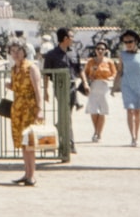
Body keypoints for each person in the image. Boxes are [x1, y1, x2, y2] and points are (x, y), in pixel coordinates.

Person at [6, 38, 44, 186]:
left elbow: (37, 89)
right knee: (22, 141)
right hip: (17, 107)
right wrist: (11, 86)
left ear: (24, 51)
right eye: (12, 51)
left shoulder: (31, 67)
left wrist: (39, 110)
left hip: (30, 107)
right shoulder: (13, 68)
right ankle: (27, 173)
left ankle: (32, 174)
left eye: (18, 51)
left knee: (30, 142)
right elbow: (18, 87)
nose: (15, 54)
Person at [42, 27, 83, 153]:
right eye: (71, 36)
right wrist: (45, 91)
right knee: (66, 115)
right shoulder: (51, 55)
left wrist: (85, 83)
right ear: (65, 38)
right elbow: (46, 74)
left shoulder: (74, 52)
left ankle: (51, 137)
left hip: (72, 87)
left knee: (66, 116)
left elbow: (79, 69)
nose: (73, 39)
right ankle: (69, 143)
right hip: (60, 87)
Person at [115, 29, 140, 147]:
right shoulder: (122, 55)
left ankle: (137, 135)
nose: (128, 44)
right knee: (130, 109)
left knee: (138, 112)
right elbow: (119, 71)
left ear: (136, 41)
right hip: (127, 85)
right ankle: (132, 137)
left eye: (130, 41)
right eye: (125, 42)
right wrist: (114, 86)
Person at [84, 42, 118, 142]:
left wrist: (109, 78)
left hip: (104, 86)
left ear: (106, 51)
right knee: (93, 110)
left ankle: (98, 134)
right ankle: (96, 131)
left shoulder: (109, 62)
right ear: (95, 50)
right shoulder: (90, 62)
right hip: (93, 86)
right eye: (98, 48)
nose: (100, 51)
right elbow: (84, 73)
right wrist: (88, 78)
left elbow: (114, 73)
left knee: (103, 111)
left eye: (102, 49)